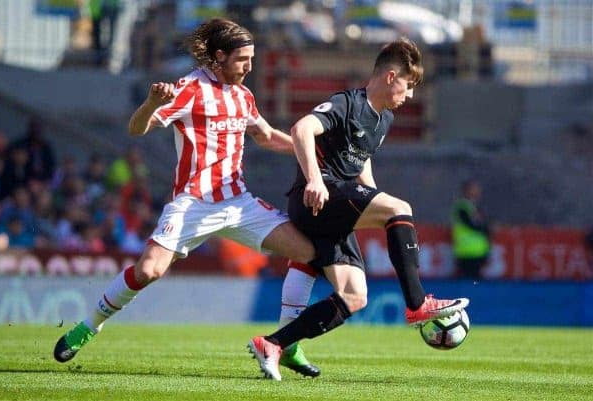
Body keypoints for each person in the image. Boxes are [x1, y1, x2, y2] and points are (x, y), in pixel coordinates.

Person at [53, 19, 320, 377]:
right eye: (243, 59)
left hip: (237, 203)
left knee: (307, 253)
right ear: (219, 56)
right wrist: (151, 103)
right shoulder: (190, 88)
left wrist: (313, 156)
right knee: (149, 271)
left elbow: (267, 135)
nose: (249, 67)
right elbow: (137, 128)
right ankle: (90, 325)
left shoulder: (243, 95)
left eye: (252, 58)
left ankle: (287, 345)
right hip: (192, 203)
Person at [248, 38, 469, 381]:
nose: (409, 95)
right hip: (314, 199)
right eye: (408, 86)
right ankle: (417, 304)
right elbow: (301, 129)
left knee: (355, 295)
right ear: (392, 76)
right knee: (401, 207)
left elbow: (361, 169)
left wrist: (376, 205)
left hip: (337, 206)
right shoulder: (347, 104)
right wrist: (314, 180)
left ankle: (274, 344)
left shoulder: (384, 121)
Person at [451, 179, 491, 280]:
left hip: (479, 251)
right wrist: (485, 229)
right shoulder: (462, 207)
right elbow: (471, 224)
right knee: (468, 281)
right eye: (473, 189)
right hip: (466, 252)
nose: (477, 191)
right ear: (466, 190)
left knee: (477, 281)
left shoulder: (475, 206)